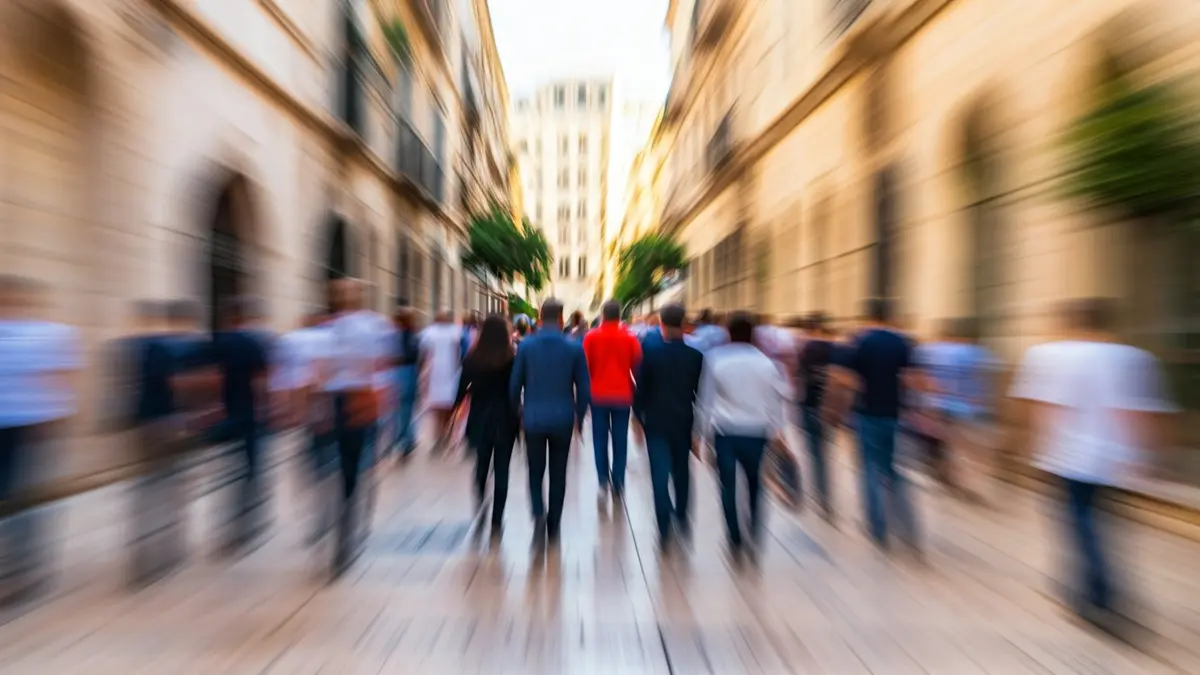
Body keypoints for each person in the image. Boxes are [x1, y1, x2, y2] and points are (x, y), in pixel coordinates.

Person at [1010, 298, 1176, 638]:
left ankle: (1098, 596)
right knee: (1104, 524)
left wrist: (1029, 445)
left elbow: (1040, 408)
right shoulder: (1134, 358)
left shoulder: (1048, 355)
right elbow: (1141, 412)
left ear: (1069, 322)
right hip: (1115, 457)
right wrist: (1148, 454)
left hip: (1067, 456)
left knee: (1079, 522)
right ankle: (1090, 589)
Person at [0, 277, 82, 606]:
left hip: (32, 427)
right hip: (30, 427)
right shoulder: (53, 334)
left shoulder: (51, 334)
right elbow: (62, 379)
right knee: (24, 499)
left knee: (25, 500)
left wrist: (57, 417)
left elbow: (60, 380)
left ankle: (23, 569)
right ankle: (24, 568)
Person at [828, 298, 921, 554]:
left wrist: (850, 397)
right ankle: (909, 527)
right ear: (890, 317)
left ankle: (877, 527)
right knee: (892, 468)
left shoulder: (860, 341)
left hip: (866, 413)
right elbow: (912, 379)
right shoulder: (902, 342)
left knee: (869, 467)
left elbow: (843, 378)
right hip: (894, 414)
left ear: (868, 317)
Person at [698, 312, 790, 563]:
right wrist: (779, 432)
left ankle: (734, 537)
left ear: (729, 333)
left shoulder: (715, 359)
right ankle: (755, 532)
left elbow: (706, 400)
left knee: (727, 485)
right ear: (753, 334)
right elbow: (775, 402)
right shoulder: (766, 363)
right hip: (756, 433)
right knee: (755, 484)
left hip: (725, 432)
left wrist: (702, 435)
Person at [509, 299, 590, 547]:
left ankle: (538, 513)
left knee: (535, 471)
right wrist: (579, 416)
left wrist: (518, 412)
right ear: (562, 319)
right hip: (563, 418)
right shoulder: (574, 348)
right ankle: (554, 524)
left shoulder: (526, 347)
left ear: (540, 319)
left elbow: (514, 385)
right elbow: (584, 388)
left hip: (533, 417)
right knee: (558, 472)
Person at [323, 279, 389, 576]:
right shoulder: (373, 325)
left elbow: (321, 370)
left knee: (343, 467)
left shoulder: (330, 328)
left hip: (338, 400)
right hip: (363, 399)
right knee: (362, 464)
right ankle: (355, 519)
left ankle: (344, 523)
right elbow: (379, 367)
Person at [634, 303, 703, 552]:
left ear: (661, 325)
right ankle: (681, 515)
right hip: (683, 421)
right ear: (684, 325)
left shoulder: (650, 355)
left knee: (659, 474)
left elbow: (640, 392)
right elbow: (698, 394)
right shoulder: (695, 357)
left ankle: (663, 525)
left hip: (656, 423)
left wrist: (639, 419)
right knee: (681, 471)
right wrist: (698, 432)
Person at [209, 296, 272, 556]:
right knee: (251, 468)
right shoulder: (254, 343)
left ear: (229, 317)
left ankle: (231, 522)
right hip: (250, 415)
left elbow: (213, 378)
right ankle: (248, 521)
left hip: (227, 413)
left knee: (229, 470)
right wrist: (266, 408)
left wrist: (212, 407)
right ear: (246, 317)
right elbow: (261, 380)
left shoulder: (219, 342)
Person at [453, 314, 520, 536]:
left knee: (481, 465)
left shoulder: (473, 359)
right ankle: (497, 518)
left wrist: (456, 409)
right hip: (506, 419)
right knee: (502, 469)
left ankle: (481, 503)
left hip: (480, 418)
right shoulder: (511, 359)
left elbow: (461, 390)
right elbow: (517, 388)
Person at [582, 300, 642, 501]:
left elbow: (585, 368)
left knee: (599, 439)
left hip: (597, 395)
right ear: (619, 315)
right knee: (620, 439)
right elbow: (637, 367)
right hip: (623, 395)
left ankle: (602, 480)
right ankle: (618, 481)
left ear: (603, 315)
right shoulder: (630, 337)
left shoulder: (591, 337)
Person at [796, 313, 836, 521]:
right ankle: (825, 497)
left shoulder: (805, 349)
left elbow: (799, 377)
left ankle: (820, 495)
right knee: (824, 452)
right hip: (827, 407)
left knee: (814, 453)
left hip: (809, 405)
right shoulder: (835, 349)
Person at [419, 311, 464, 454]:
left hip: (435, 374)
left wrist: (423, 376)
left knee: (437, 409)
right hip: (450, 372)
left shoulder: (429, 333)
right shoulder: (455, 332)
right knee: (448, 407)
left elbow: (424, 354)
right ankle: (445, 433)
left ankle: (439, 436)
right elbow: (458, 353)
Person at [391, 306, 421, 458]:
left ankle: (404, 439)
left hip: (400, 373)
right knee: (407, 408)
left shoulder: (398, 336)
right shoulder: (415, 336)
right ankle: (409, 438)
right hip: (411, 372)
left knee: (400, 409)